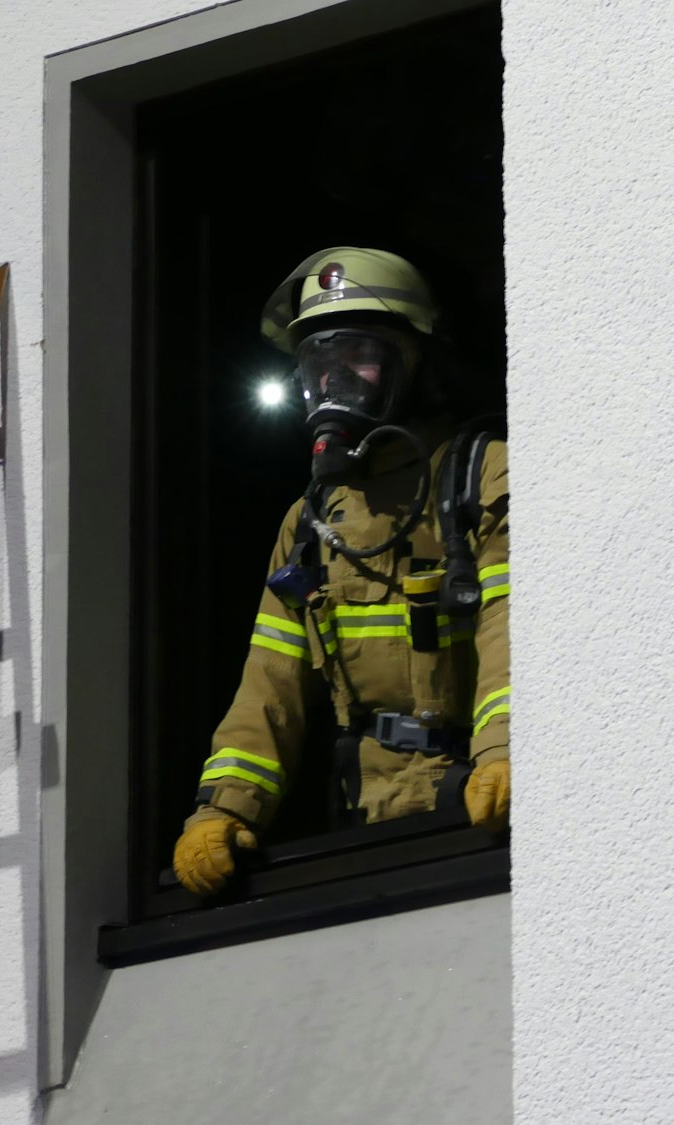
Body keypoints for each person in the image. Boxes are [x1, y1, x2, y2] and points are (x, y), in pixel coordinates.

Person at [172, 246, 511, 897]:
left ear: (415, 361)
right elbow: (270, 683)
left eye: (356, 353)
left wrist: (504, 751)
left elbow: (511, 629)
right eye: (316, 361)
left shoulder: (481, 476)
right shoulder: (308, 522)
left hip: (479, 806)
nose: (333, 380)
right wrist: (224, 808)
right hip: (363, 822)